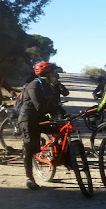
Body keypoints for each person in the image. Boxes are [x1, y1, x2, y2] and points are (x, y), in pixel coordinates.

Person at [17, 62, 67, 190]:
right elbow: (39, 106)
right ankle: (29, 178)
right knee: (30, 147)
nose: (56, 74)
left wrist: (64, 114)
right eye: (53, 72)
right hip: (28, 119)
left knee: (61, 131)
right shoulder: (34, 85)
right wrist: (52, 114)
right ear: (47, 74)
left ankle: (63, 159)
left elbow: (54, 104)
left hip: (40, 118)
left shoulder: (48, 85)